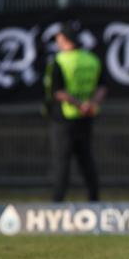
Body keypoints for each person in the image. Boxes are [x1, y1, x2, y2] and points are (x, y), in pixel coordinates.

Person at [44, 21, 106, 202]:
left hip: (64, 118)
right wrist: (90, 104)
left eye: (58, 39)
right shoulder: (91, 59)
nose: (57, 43)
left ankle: (57, 204)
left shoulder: (60, 61)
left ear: (64, 40)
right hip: (87, 116)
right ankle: (94, 200)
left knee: (61, 163)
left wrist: (79, 104)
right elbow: (102, 87)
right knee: (87, 161)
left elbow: (58, 92)